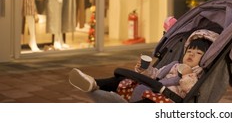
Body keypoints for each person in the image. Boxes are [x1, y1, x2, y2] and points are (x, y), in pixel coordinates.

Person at [69, 30, 217, 103]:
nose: (191, 54)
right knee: (123, 80)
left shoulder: (196, 74)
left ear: (205, 58)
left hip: (166, 100)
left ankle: (118, 101)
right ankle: (94, 83)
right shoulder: (174, 65)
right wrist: (144, 69)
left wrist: (186, 75)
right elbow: (156, 74)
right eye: (189, 51)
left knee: (148, 102)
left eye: (198, 53)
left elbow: (190, 91)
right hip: (151, 87)